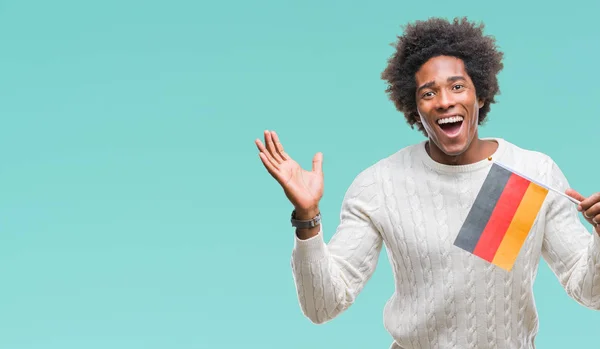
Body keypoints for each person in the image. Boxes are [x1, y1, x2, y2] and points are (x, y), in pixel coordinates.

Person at [254, 17, 600, 349]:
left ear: (480, 95)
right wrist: (308, 217)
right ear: (414, 108)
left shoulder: (529, 173)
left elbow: (590, 292)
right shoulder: (380, 185)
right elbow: (322, 307)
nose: (445, 100)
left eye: (457, 86)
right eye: (428, 93)